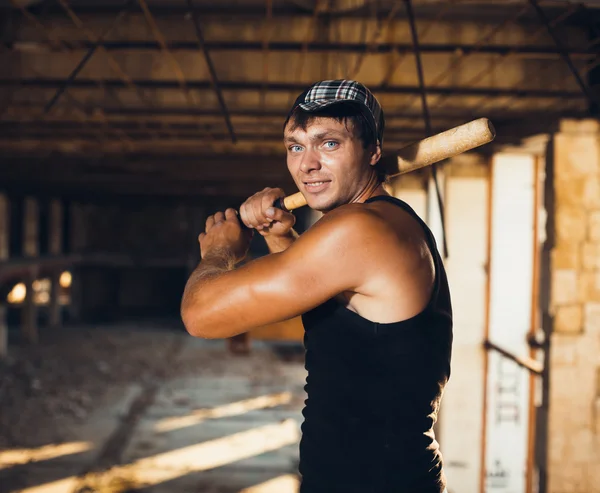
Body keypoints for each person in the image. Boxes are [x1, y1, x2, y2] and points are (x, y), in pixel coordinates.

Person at [181, 79, 453, 493]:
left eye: (328, 144)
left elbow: (200, 315)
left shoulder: (359, 229)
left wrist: (219, 253)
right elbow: (324, 304)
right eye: (295, 146)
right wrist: (279, 236)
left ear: (373, 151)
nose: (306, 165)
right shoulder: (385, 223)